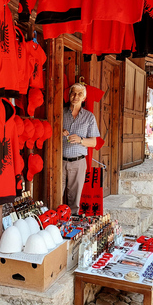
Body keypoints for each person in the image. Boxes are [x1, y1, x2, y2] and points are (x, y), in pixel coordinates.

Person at [62, 83, 100, 214]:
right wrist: (59, 131)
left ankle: (71, 226)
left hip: (78, 162)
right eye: (73, 93)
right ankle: (54, 225)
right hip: (59, 161)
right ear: (69, 95)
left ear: (84, 98)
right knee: (55, 195)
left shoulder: (89, 117)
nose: (75, 96)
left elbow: (94, 142)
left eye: (79, 94)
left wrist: (80, 140)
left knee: (74, 199)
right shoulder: (60, 113)